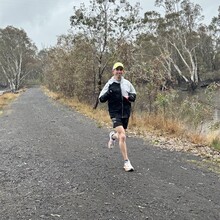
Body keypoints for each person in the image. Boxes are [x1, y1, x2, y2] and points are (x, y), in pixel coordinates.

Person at [99, 62, 136, 172]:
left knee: (120, 135)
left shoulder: (127, 83)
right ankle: (126, 162)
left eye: (121, 69)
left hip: (126, 112)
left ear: (123, 71)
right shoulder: (109, 84)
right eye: (117, 69)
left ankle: (112, 136)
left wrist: (130, 96)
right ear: (113, 71)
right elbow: (101, 99)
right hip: (115, 113)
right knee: (123, 136)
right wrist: (109, 93)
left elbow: (134, 95)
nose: (119, 71)